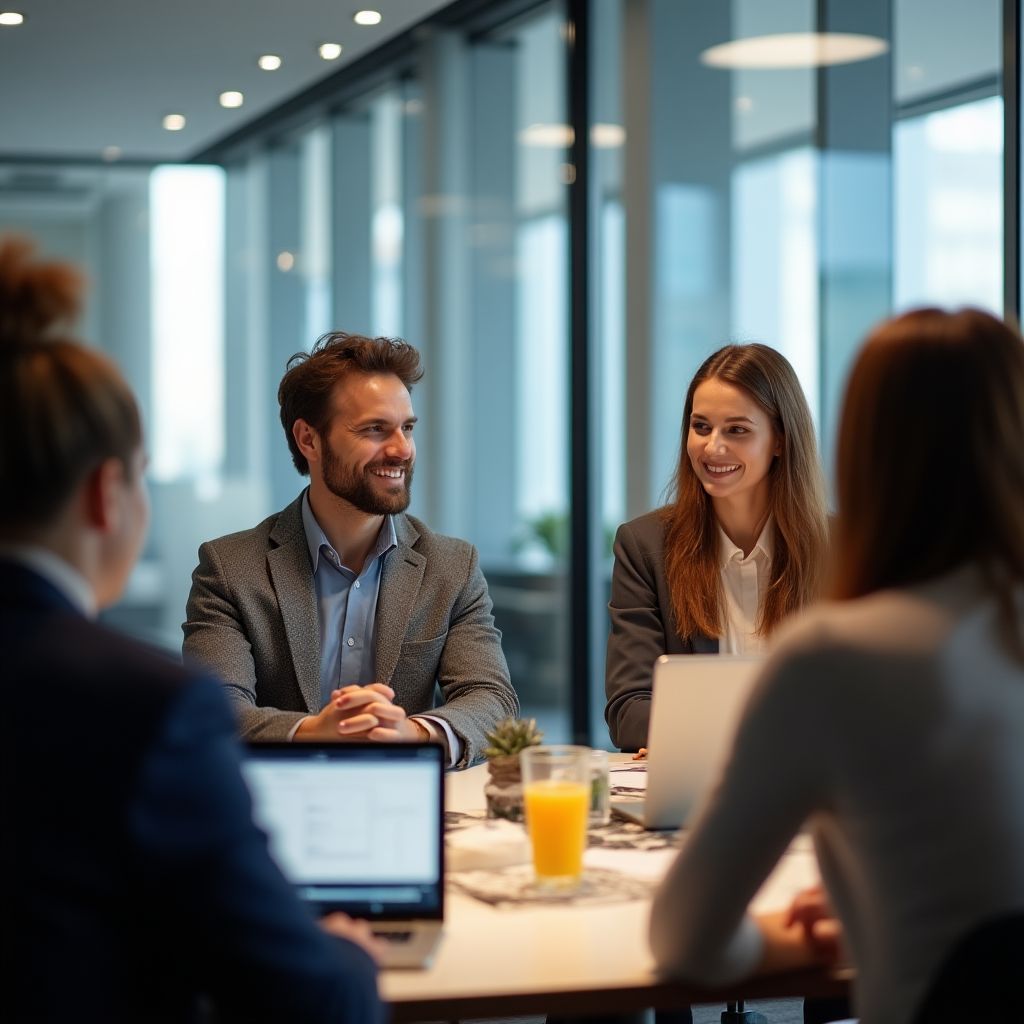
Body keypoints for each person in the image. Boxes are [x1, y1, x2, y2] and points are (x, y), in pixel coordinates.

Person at [1, 236, 384, 1024]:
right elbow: (300, 993)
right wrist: (346, 954)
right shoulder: (141, 706)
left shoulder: (449, 563)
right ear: (109, 494)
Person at [649, 308, 1024, 1024]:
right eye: (703, 426)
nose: (714, 446)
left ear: (865, 448)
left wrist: (819, 937)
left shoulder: (837, 656)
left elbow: (684, 941)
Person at [183, 332, 517, 767]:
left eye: (407, 428)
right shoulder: (230, 569)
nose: (401, 450)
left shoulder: (451, 567)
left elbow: (492, 699)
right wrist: (312, 733)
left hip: (403, 808)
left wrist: (413, 733)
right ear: (309, 440)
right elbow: (215, 709)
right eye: (375, 429)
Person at [605, 343, 829, 752]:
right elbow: (628, 711)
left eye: (737, 430)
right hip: (700, 793)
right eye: (701, 426)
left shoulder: (841, 551)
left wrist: (696, 731)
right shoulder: (646, 546)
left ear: (780, 439)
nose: (713, 448)